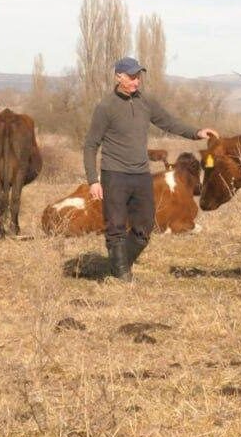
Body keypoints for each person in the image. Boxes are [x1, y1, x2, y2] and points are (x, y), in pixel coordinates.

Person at [84, 57, 217, 281]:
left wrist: (196, 132)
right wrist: (93, 180)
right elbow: (90, 145)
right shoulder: (106, 107)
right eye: (131, 77)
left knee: (145, 227)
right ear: (118, 77)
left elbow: (169, 122)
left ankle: (117, 267)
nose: (136, 81)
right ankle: (122, 276)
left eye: (138, 77)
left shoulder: (145, 101)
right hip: (114, 174)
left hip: (140, 175)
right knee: (116, 227)